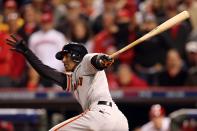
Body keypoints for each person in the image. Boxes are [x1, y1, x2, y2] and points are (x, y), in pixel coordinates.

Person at [6, 34, 129, 131]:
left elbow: (93, 60)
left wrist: (101, 60)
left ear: (76, 56)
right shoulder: (76, 76)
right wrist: (28, 53)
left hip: (100, 114)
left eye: (66, 56)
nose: (63, 60)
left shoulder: (85, 63)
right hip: (119, 121)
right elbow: (47, 73)